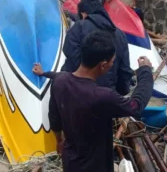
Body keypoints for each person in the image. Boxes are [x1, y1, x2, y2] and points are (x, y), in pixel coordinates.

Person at [48, 31, 154, 172]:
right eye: (112, 61)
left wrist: (59, 141)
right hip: (95, 166)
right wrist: (145, 71)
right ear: (103, 65)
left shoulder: (59, 80)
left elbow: (54, 117)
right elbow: (135, 106)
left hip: (71, 161)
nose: (112, 64)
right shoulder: (102, 96)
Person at [62, 0, 133, 95]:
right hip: (108, 97)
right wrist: (120, 93)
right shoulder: (120, 35)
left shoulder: (79, 28)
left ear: (83, 13)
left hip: (77, 94)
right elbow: (124, 71)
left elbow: (71, 59)